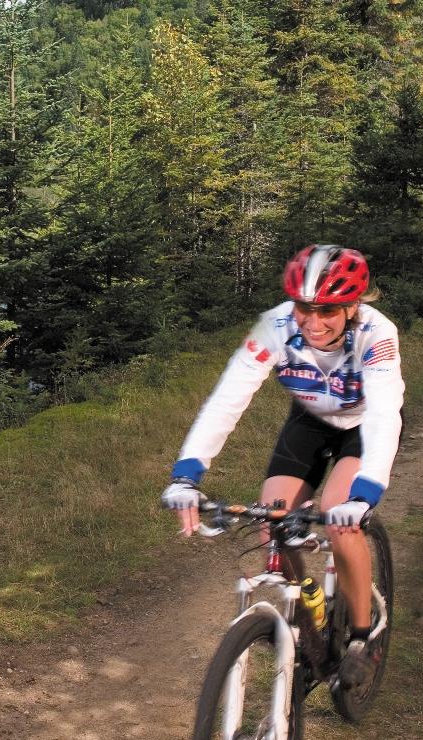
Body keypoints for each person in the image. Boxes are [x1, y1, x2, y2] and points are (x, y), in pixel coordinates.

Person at [160, 244, 403, 687]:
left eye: (327, 310)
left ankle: (361, 637)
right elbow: (228, 398)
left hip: (363, 426)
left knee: (339, 517)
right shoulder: (275, 326)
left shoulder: (377, 333)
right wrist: (186, 475)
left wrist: (365, 494)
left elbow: (385, 414)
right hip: (308, 421)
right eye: (303, 308)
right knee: (270, 520)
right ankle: (307, 613)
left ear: (351, 307)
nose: (312, 321)